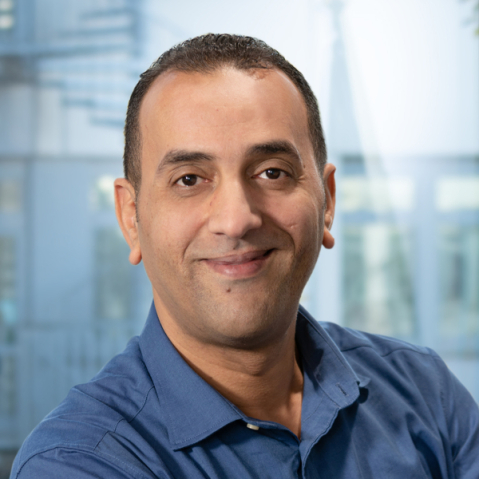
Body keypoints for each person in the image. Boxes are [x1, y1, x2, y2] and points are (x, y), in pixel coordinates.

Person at [10, 34, 479, 479]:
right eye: (189, 179)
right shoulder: (79, 462)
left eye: (272, 172)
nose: (236, 220)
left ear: (328, 201)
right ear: (131, 217)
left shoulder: (425, 392)